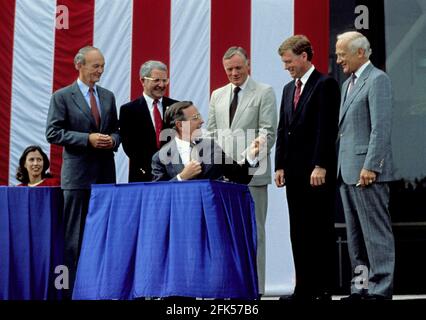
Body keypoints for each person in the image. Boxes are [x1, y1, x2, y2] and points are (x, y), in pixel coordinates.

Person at [45, 46, 120, 296]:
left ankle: (102, 286)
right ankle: (74, 290)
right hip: (77, 178)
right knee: (74, 238)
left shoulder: (108, 96)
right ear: (79, 65)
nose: (100, 71)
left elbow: (116, 130)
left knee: (105, 233)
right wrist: (86, 139)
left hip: (105, 176)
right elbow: (53, 133)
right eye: (95, 66)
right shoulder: (62, 96)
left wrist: (113, 140)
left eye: (102, 66)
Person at [274, 35, 340, 301]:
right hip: (294, 173)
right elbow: (282, 129)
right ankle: (304, 289)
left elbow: (326, 129)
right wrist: (279, 165)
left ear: (304, 56)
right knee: (298, 231)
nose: (286, 66)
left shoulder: (326, 84)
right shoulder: (289, 89)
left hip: (316, 173)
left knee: (319, 230)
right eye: (284, 62)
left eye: (289, 61)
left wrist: (321, 164)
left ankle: (323, 289)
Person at [207, 47, 277, 296]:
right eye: (229, 69)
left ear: (248, 66)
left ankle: (255, 289)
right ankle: (229, 287)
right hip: (224, 178)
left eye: (238, 68)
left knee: (254, 232)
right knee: (226, 233)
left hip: (253, 175)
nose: (234, 73)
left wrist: (245, 159)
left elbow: (268, 132)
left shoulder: (264, 92)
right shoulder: (217, 95)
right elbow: (212, 134)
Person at [335, 31, 395, 301]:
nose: (338, 60)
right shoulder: (348, 83)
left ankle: (381, 290)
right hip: (347, 173)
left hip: (367, 173)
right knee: (356, 238)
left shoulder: (378, 80)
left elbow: (380, 128)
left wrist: (371, 165)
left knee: (375, 235)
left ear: (360, 52)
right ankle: (360, 287)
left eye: (341, 54)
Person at [152, 101, 263, 184]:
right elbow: (158, 194)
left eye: (199, 116)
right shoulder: (160, 157)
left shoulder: (212, 147)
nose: (202, 121)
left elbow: (240, 178)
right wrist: (181, 177)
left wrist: (251, 156)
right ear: (180, 125)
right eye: (195, 118)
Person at [119, 60, 178, 182]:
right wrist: (155, 169)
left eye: (164, 80)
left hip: (173, 176)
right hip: (143, 176)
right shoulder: (129, 110)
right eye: (156, 80)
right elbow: (129, 146)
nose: (161, 85)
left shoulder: (176, 107)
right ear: (142, 81)